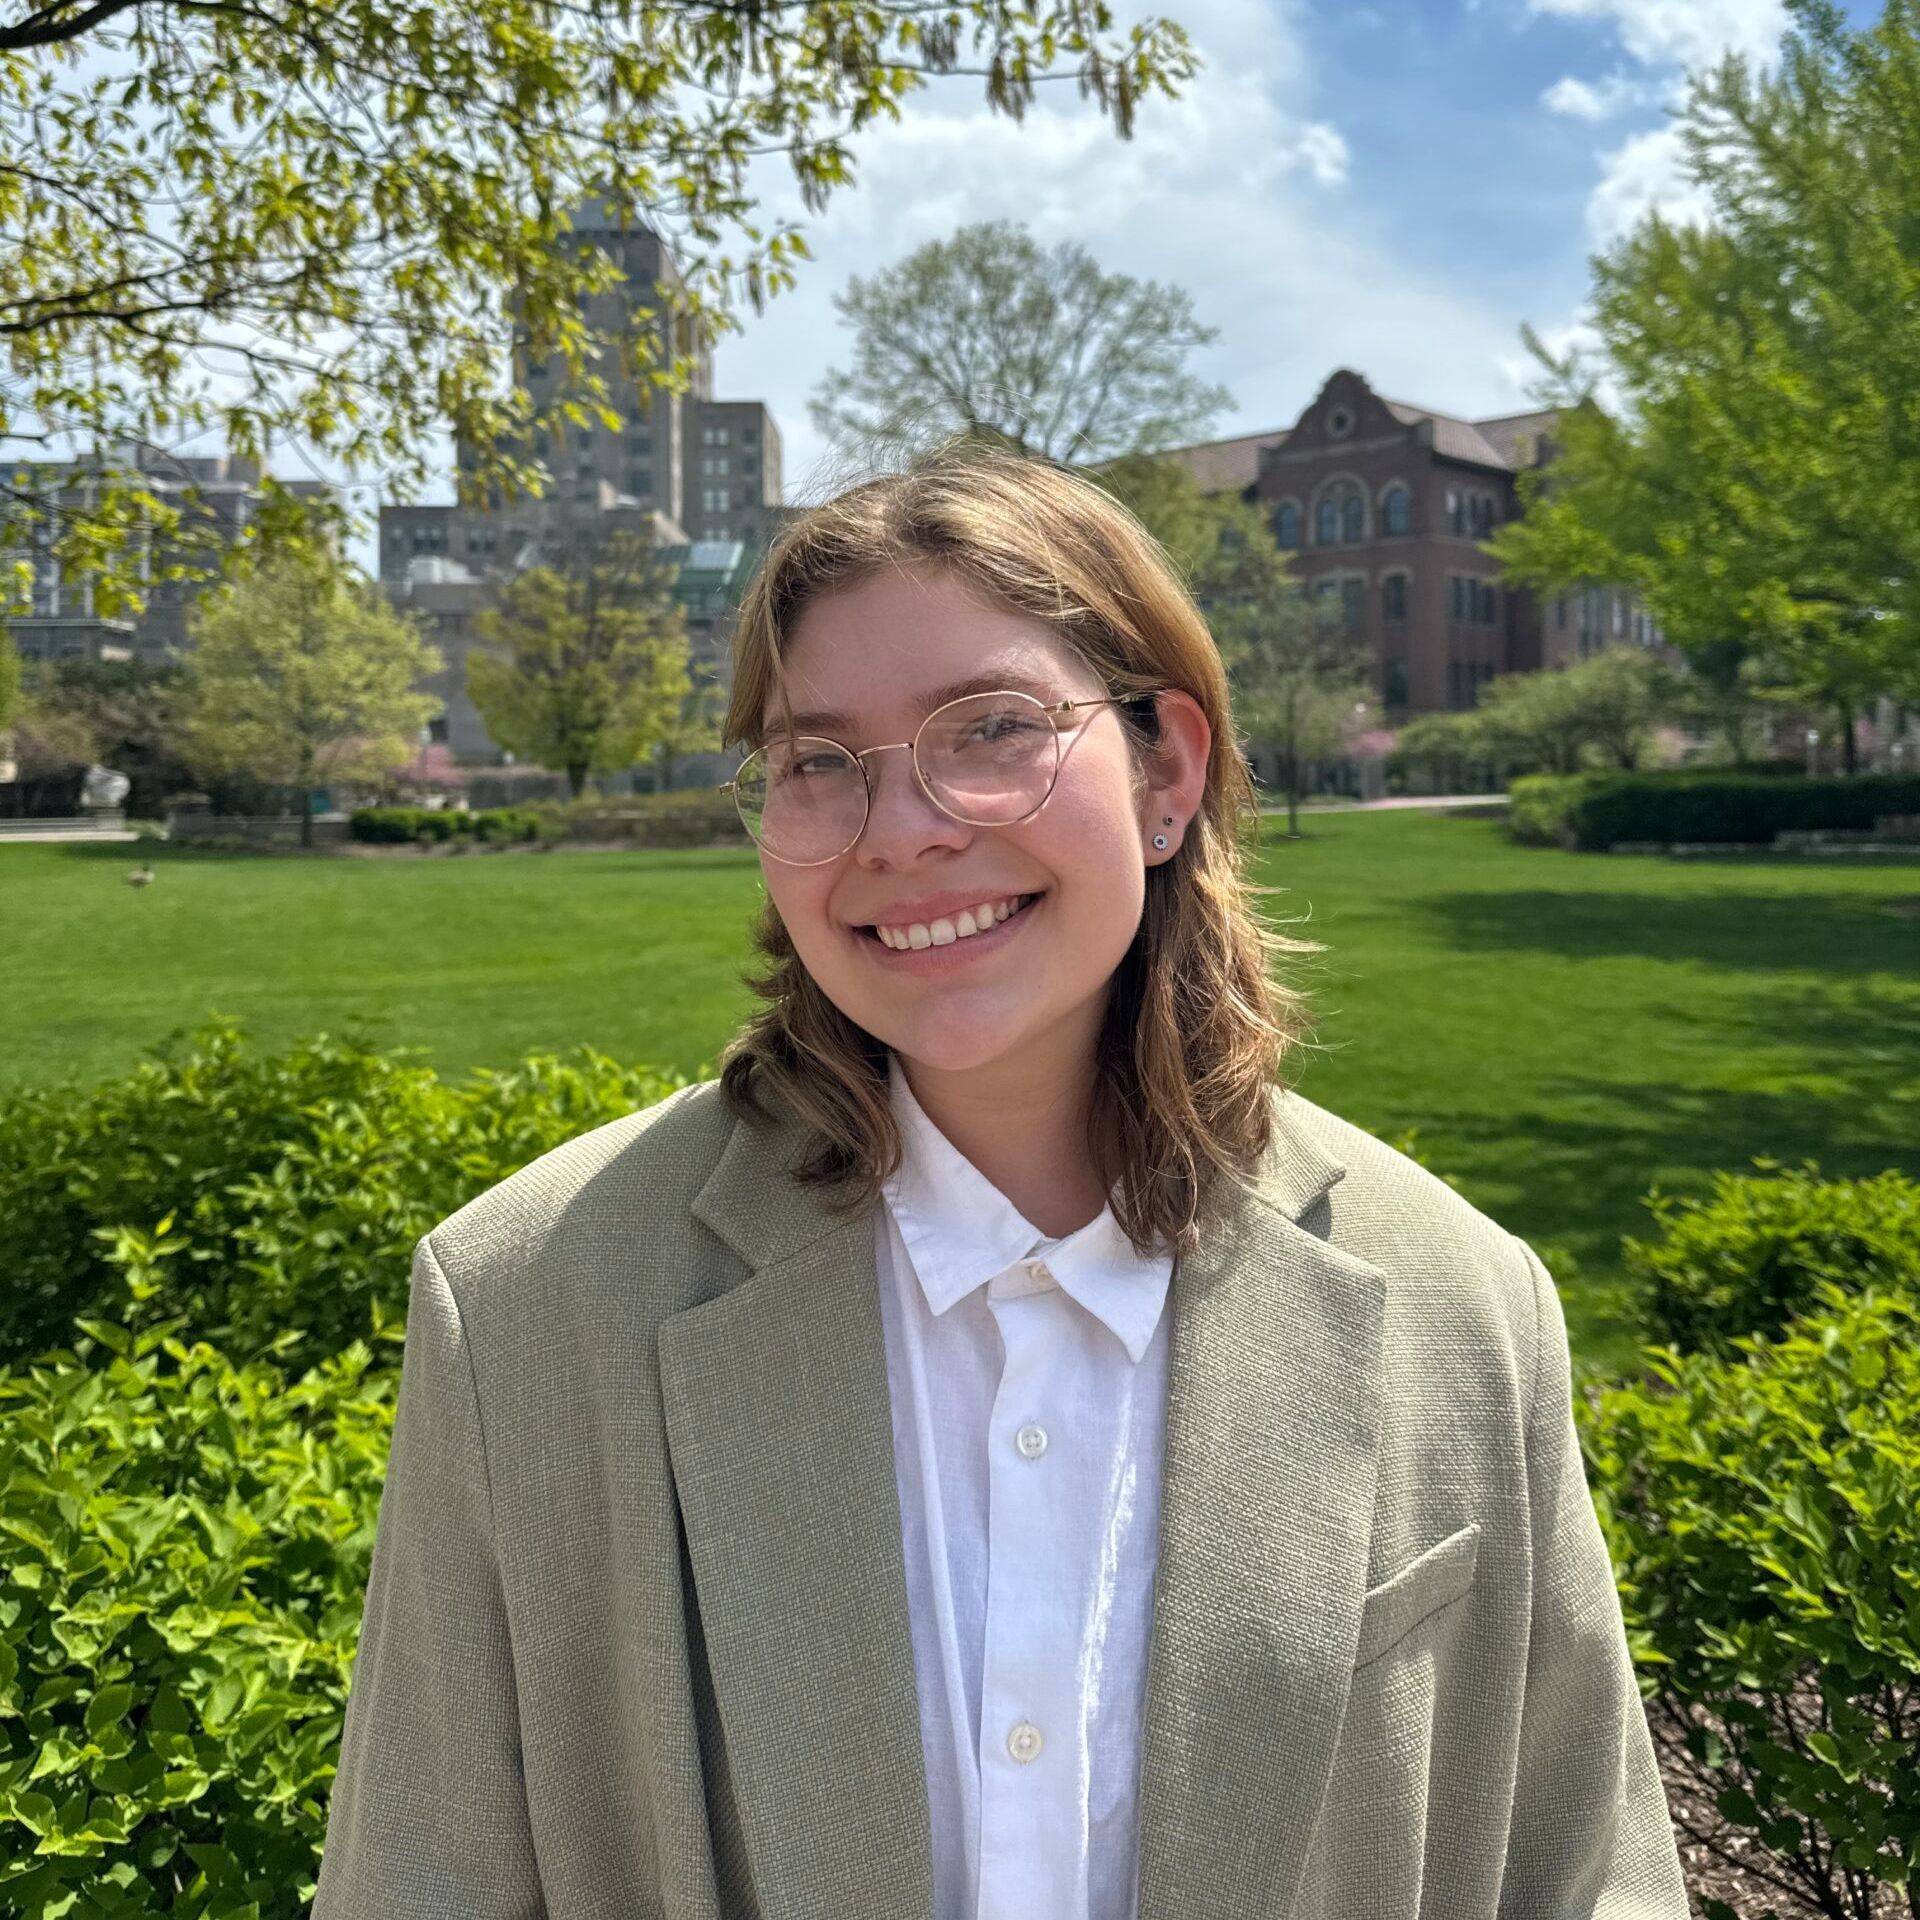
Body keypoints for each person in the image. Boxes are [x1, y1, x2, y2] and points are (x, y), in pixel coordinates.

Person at [312, 441, 1690, 1920]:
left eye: (989, 729)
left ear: (1168, 772)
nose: (899, 831)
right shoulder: (527, 1306)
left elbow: (1585, 1872)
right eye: (816, 763)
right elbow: (421, 1875)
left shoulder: (1465, 1304)